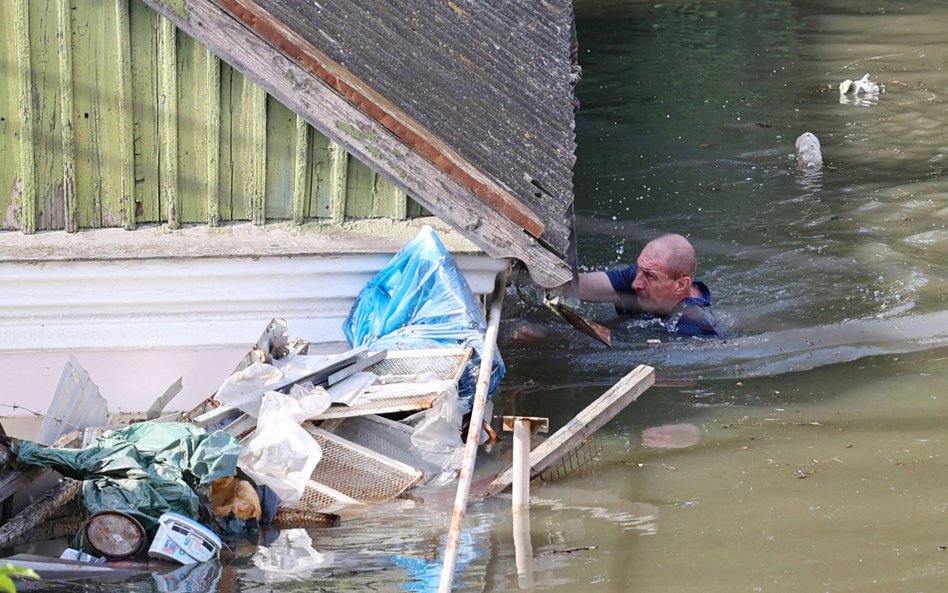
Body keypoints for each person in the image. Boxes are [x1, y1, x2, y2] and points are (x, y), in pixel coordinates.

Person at [576, 233, 722, 337]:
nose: (635, 284)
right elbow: (576, 287)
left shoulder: (695, 325)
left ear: (680, 285)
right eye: (639, 269)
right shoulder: (641, 275)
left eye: (650, 276)